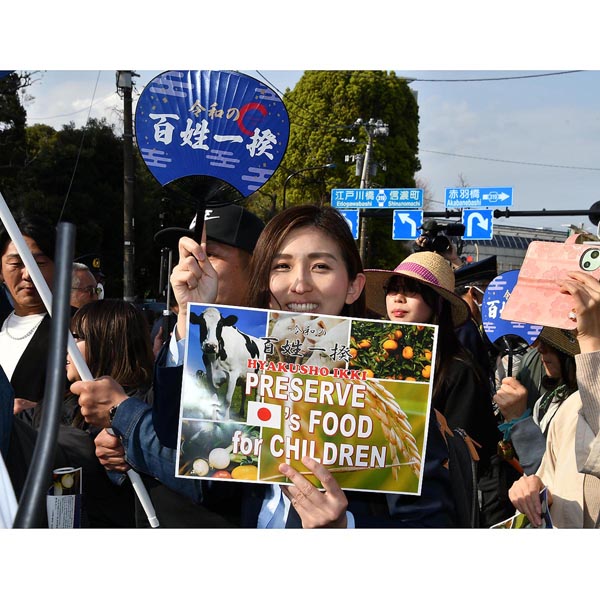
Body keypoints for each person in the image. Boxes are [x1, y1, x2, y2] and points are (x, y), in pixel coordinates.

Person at [74, 204, 456, 528]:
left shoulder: (394, 394)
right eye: (282, 266)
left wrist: (345, 529)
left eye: (321, 266)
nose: (299, 285)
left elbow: (433, 529)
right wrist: (191, 315)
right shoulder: (251, 372)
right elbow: (185, 449)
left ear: (353, 286)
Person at [364, 251, 512, 527]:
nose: (398, 298)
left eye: (412, 290)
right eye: (393, 289)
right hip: (371, 498)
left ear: (437, 303)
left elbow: (465, 454)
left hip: (431, 507)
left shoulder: (458, 370)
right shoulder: (368, 357)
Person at [508, 271, 600, 528]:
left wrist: (592, 343)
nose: (541, 350)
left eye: (555, 344)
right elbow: (547, 480)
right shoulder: (570, 407)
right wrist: (533, 490)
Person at [494, 326, 579, 475]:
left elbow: (551, 476)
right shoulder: (549, 398)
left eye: (553, 344)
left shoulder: (586, 408)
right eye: (542, 340)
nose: (540, 349)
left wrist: (519, 420)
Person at [0, 213, 55, 425]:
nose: (28, 274)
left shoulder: (75, 328)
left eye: (39, 263)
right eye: (16, 263)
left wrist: (38, 411)